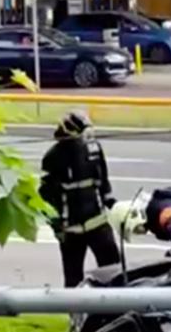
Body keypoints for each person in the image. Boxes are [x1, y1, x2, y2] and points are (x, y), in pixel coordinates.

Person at [40, 111, 121, 287]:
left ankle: (116, 311)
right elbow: (45, 197)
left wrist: (116, 207)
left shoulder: (94, 149)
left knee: (114, 271)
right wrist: (56, 226)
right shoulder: (53, 157)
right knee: (73, 277)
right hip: (70, 230)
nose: (87, 137)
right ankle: (75, 312)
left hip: (98, 223)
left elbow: (103, 182)